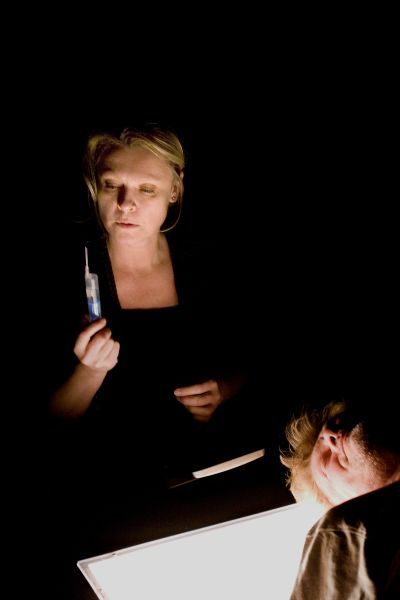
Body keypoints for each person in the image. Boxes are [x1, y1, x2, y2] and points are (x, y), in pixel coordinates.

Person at [45, 124, 253, 508]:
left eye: (147, 189)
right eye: (112, 185)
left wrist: (224, 390)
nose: (126, 204)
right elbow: (50, 423)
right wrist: (89, 371)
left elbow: (260, 354)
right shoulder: (68, 270)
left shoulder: (206, 261)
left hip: (205, 481)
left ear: (174, 190)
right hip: (103, 490)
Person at [281, 396, 400, 599]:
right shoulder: (345, 532)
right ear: (344, 504)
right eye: (325, 463)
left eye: (337, 420)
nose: (329, 432)